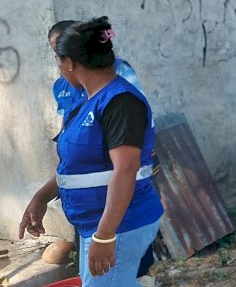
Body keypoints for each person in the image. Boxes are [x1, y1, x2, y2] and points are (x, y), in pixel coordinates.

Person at [19, 16, 163, 286]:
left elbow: (126, 168)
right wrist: (40, 198)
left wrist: (105, 234)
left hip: (119, 225)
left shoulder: (119, 101)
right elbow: (78, 166)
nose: (59, 68)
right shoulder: (86, 102)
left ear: (69, 63)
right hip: (97, 225)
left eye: (58, 61)